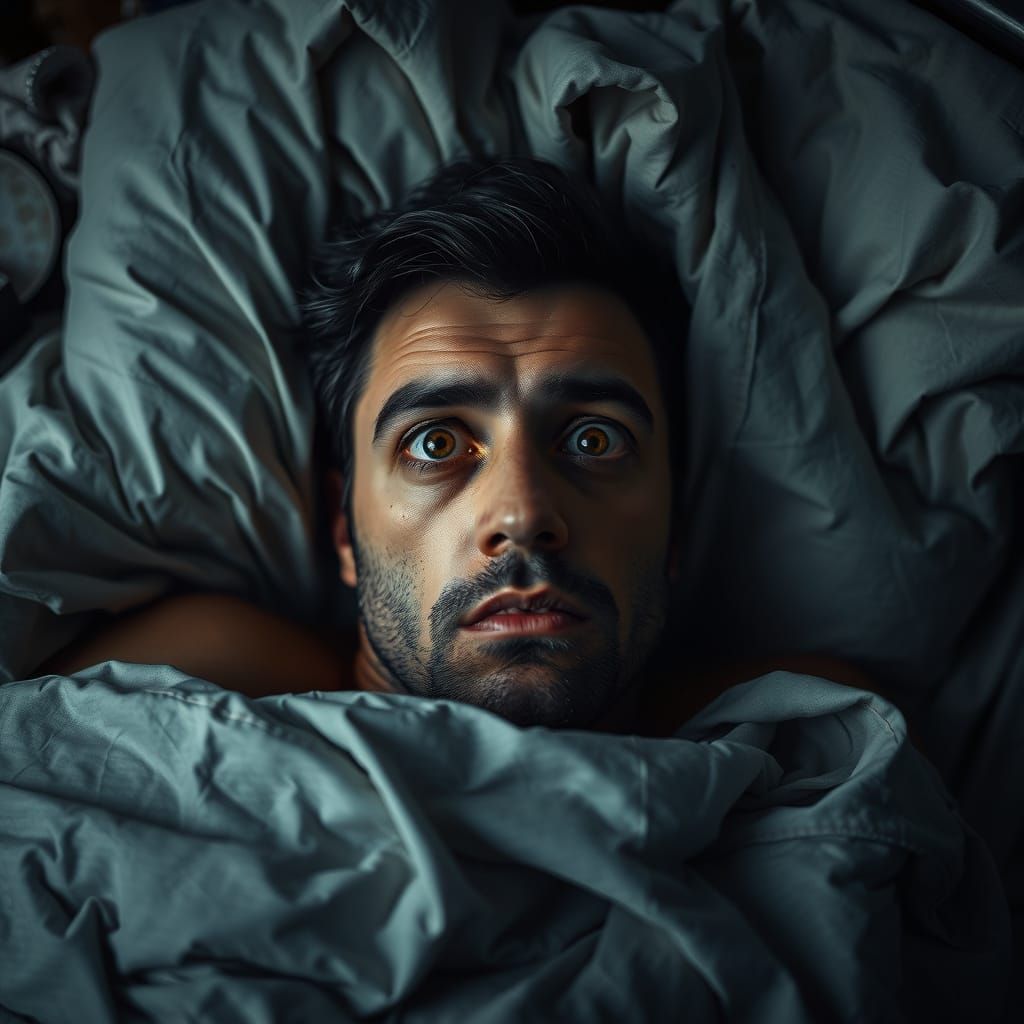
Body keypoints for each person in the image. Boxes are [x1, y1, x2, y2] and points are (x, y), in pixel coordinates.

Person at [37, 155, 881, 735]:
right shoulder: (208, 682)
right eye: (436, 442)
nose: (522, 513)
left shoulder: (811, 734)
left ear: (676, 529)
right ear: (344, 529)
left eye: (593, 438)